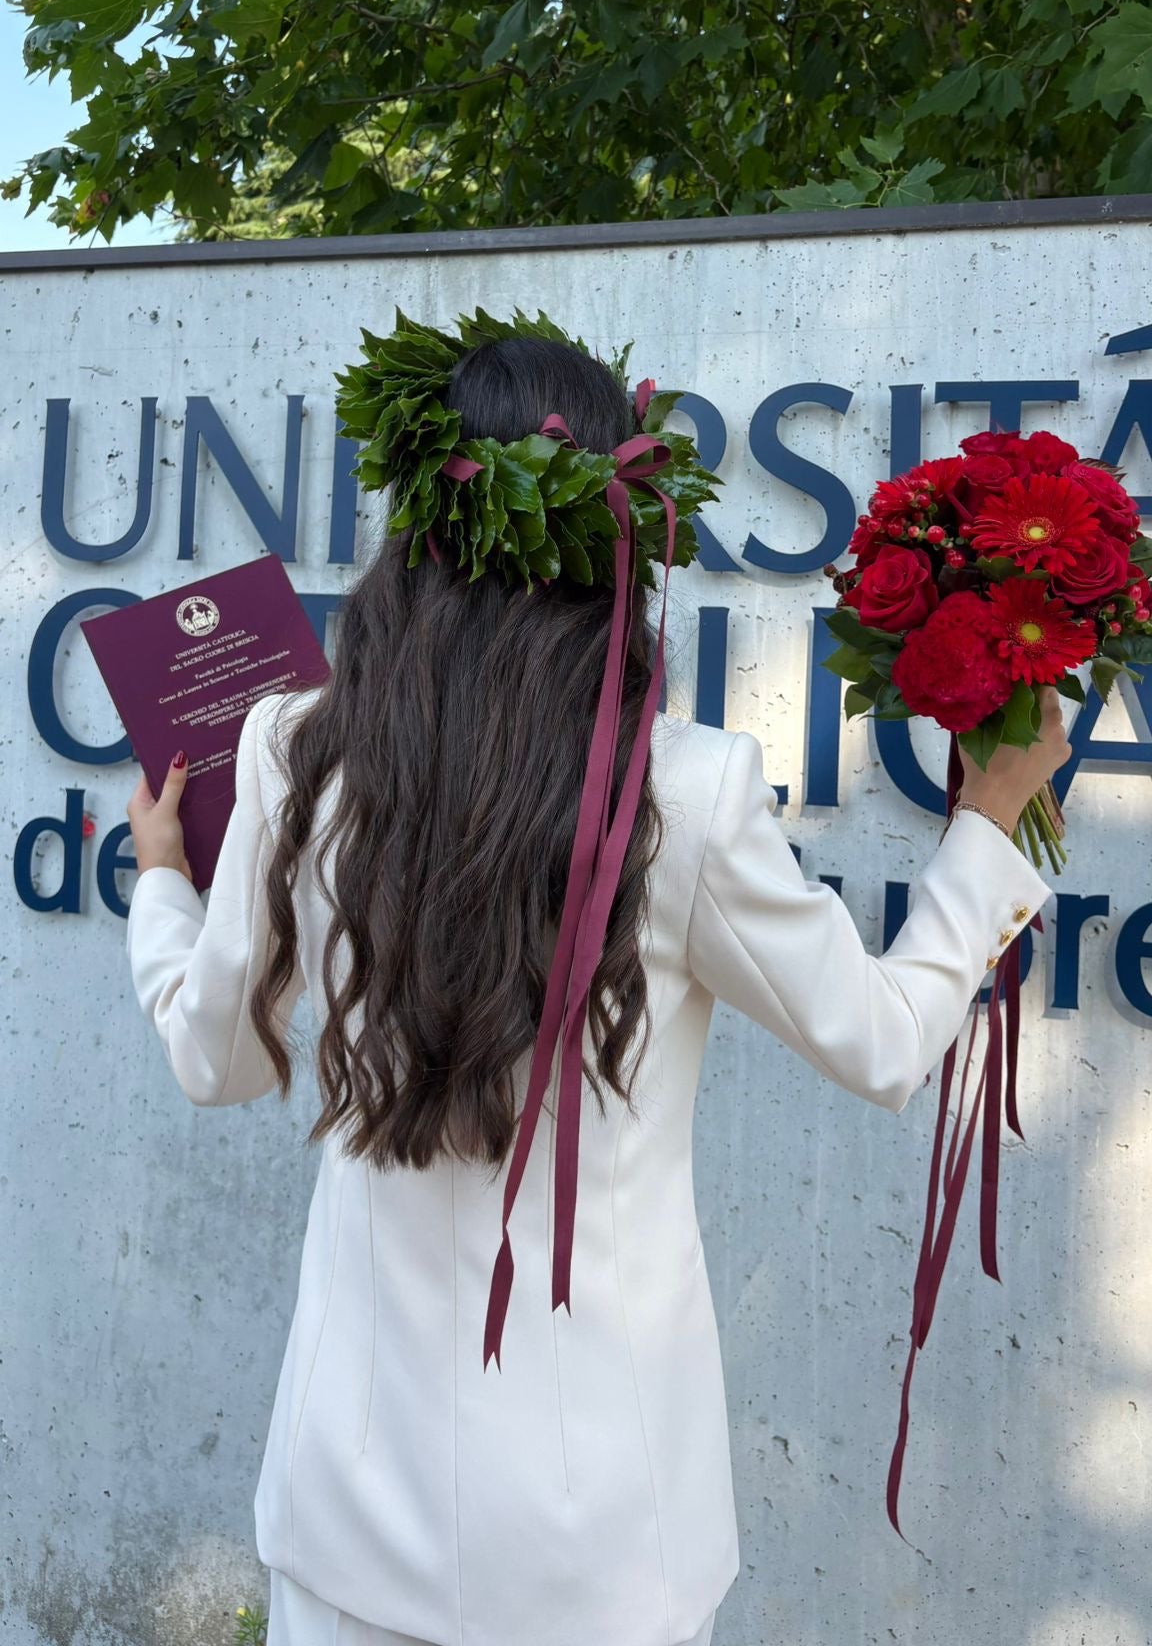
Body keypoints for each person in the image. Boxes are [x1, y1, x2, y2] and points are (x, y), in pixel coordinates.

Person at [125, 312, 1070, 1646]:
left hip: (346, 1518)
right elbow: (883, 1041)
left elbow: (212, 1056)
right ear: (612, 542)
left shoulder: (293, 749)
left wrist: (162, 884)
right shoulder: (682, 790)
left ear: (420, 528)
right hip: (601, 1557)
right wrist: (990, 829)